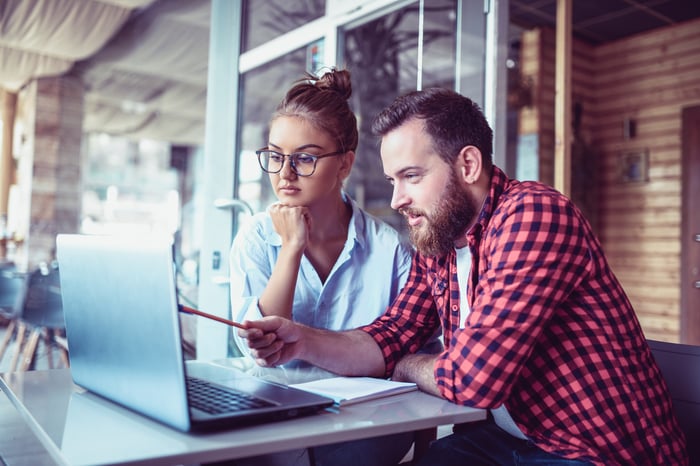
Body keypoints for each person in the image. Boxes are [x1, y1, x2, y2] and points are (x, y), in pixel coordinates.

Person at [237, 87, 689, 465]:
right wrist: (299, 339)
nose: (397, 200)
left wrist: (403, 363)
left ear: (468, 165)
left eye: (411, 176)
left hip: (594, 451)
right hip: (512, 443)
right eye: (393, 180)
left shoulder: (533, 214)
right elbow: (388, 336)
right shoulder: (441, 241)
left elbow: (474, 380)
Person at [228, 68, 421, 466]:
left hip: (360, 426)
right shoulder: (255, 237)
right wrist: (292, 247)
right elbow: (263, 350)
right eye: (276, 156)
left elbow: (406, 359)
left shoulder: (390, 250)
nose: (285, 173)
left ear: (345, 164)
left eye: (305, 158)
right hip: (271, 414)